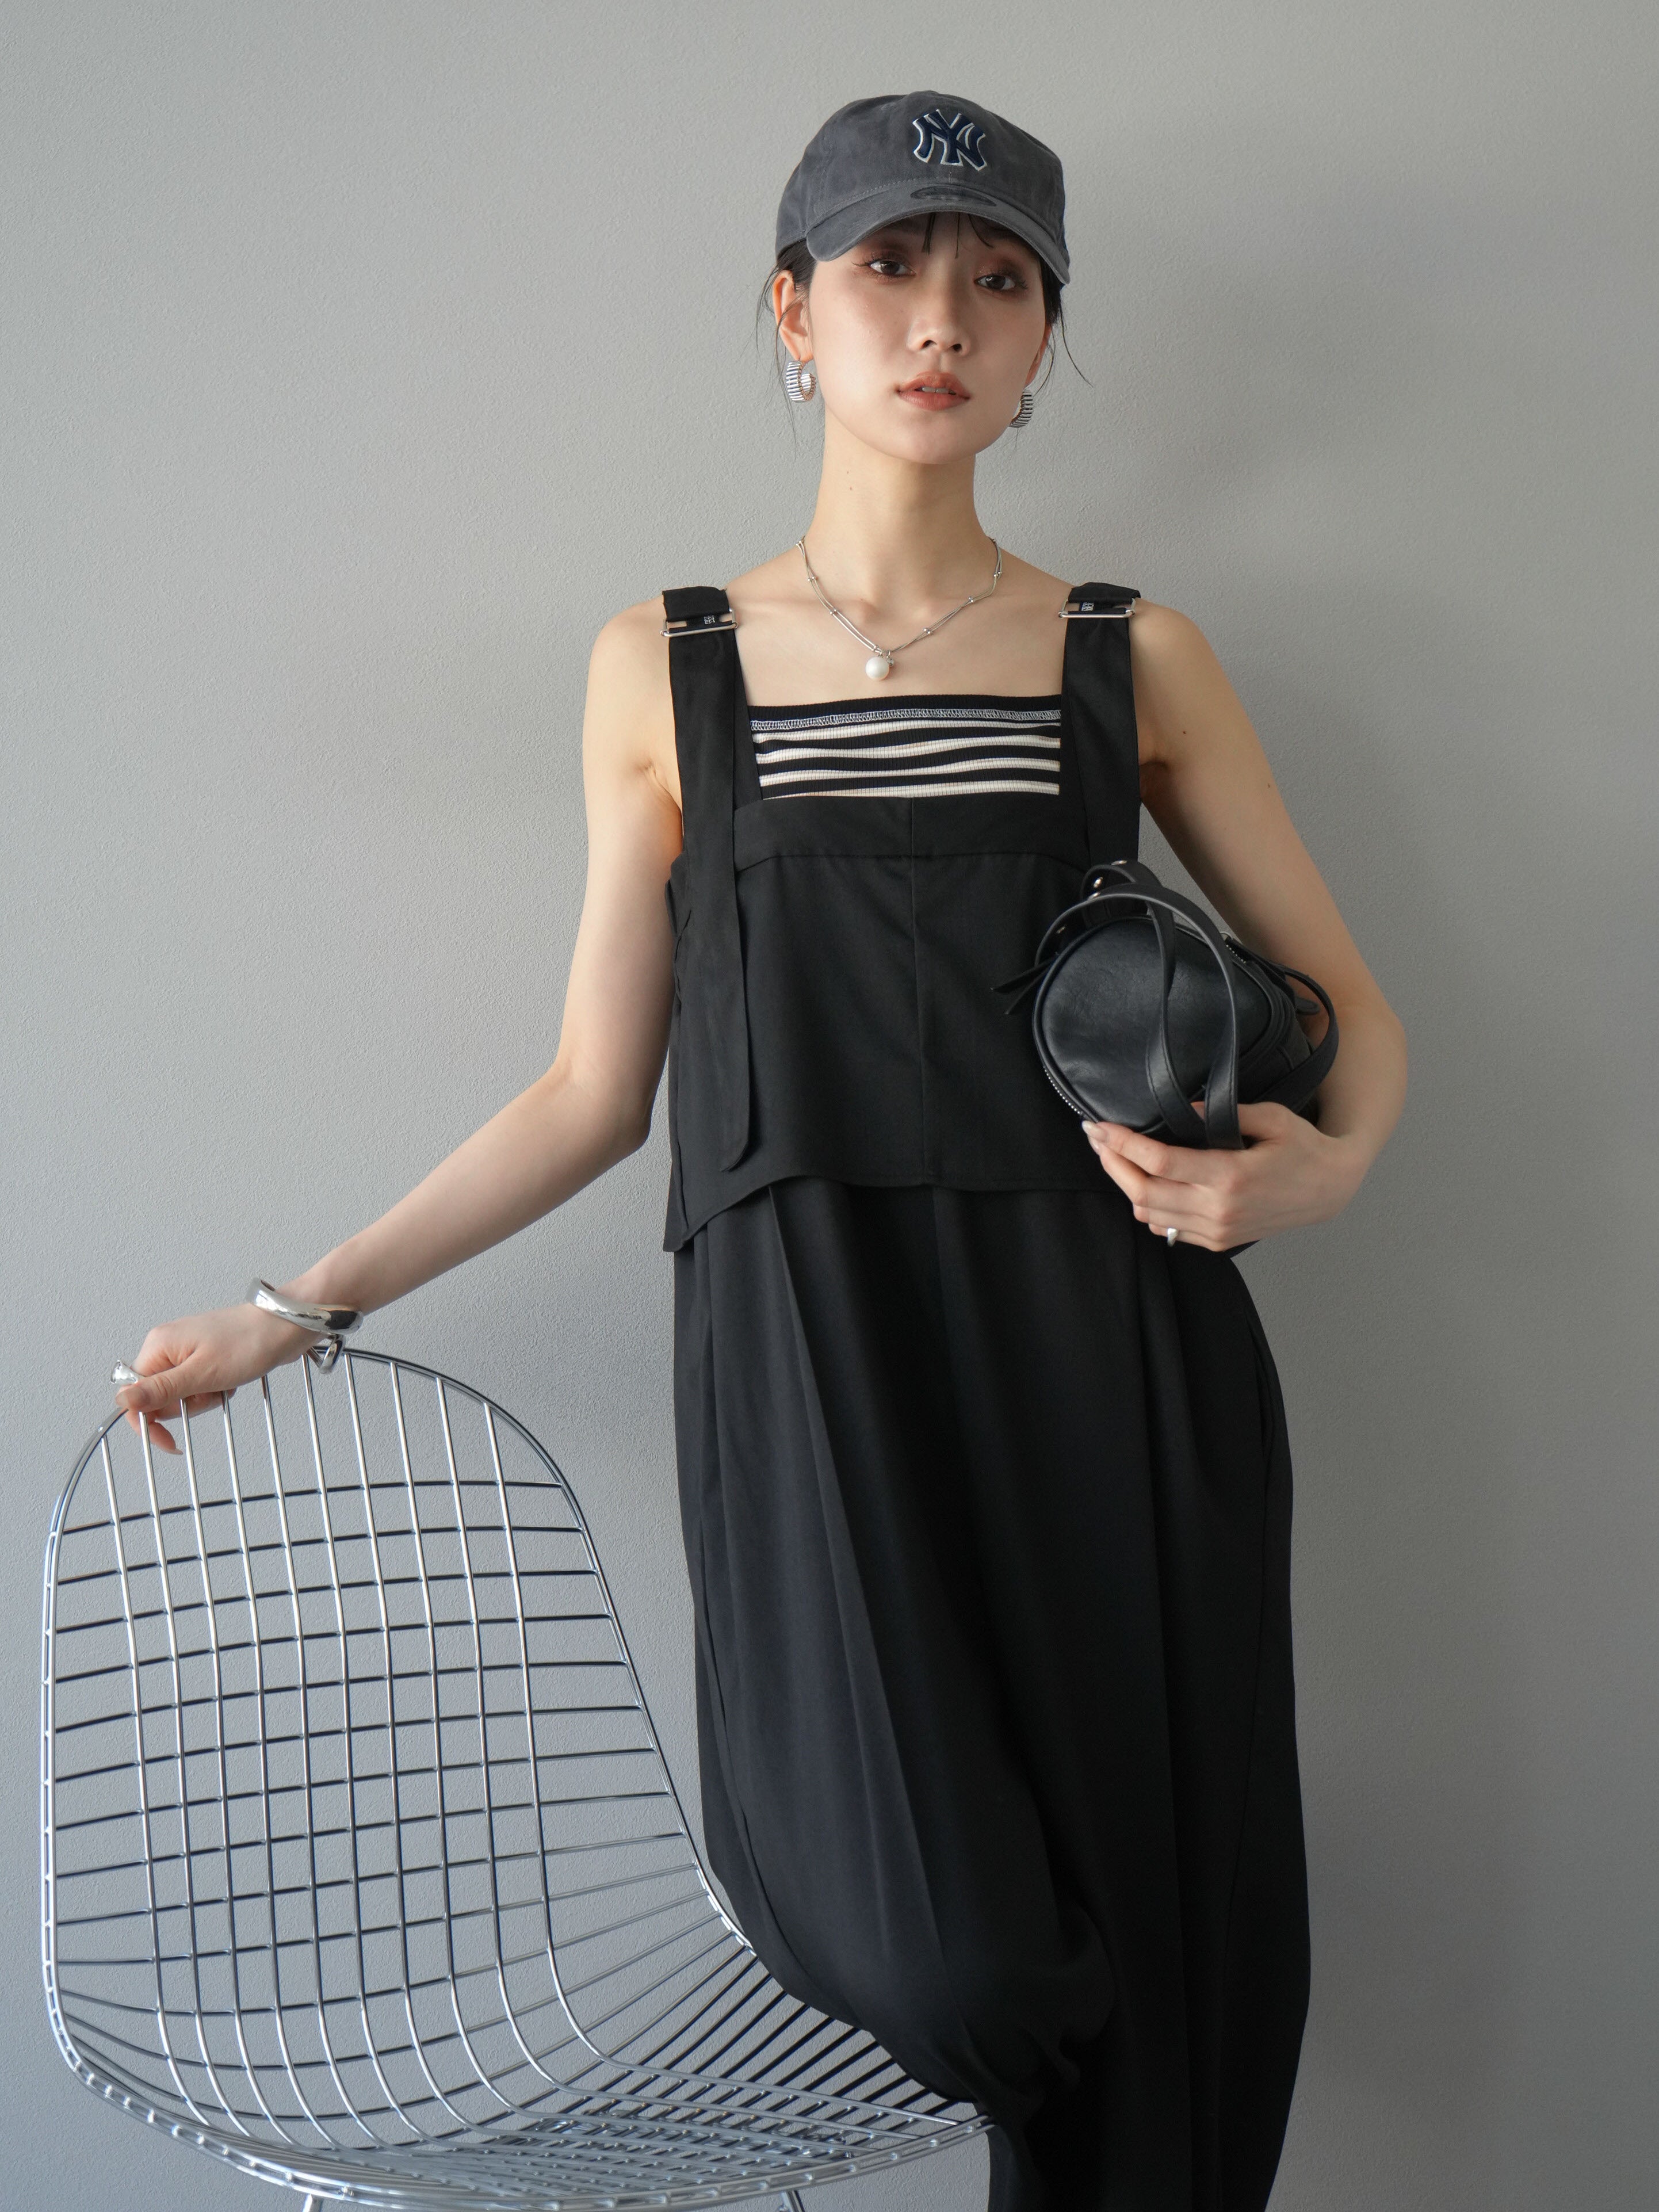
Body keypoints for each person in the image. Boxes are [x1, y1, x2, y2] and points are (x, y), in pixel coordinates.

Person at [114, 90, 1406, 2212]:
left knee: (1172, 1967)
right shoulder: (669, 669)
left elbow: (1351, 1015)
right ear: (794, 313)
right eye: (888, 267)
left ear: (1041, 337)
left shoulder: (1125, 655)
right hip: (813, 1367)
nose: (941, 319)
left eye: (998, 280)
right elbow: (589, 1092)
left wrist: (1318, 1171)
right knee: (945, 1953)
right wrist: (293, 1308)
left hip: (1116, 1353)